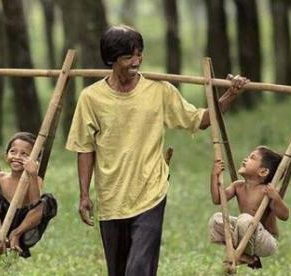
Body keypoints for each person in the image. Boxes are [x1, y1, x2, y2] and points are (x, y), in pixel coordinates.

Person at [65, 25, 249, 276]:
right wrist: (84, 194)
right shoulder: (91, 98)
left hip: (150, 192)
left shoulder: (159, 90)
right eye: (128, 56)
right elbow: (84, 148)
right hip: (111, 197)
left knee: (139, 269)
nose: (136, 61)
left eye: (139, 54)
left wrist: (231, 94)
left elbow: (200, 119)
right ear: (112, 59)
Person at [0, 132, 57, 258]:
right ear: (6, 156)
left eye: (24, 154)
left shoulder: (35, 180)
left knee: (48, 200)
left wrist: (32, 174)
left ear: (34, 161)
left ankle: (15, 235)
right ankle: (0, 238)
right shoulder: (0, 177)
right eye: (13, 151)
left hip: (24, 226)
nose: (17, 157)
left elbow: (35, 204)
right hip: (0, 223)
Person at [208, 146, 289, 266]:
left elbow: (284, 216)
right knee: (216, 219)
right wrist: (214, 175)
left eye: (252, 158)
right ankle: (245, 255)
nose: (245, 159)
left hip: (265, 241)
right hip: (245, 230)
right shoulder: (238, 186)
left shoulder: (266, 192)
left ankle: (245, 254)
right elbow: (217, 199)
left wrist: (275, 197)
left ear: (263, 172)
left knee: (245, 219)